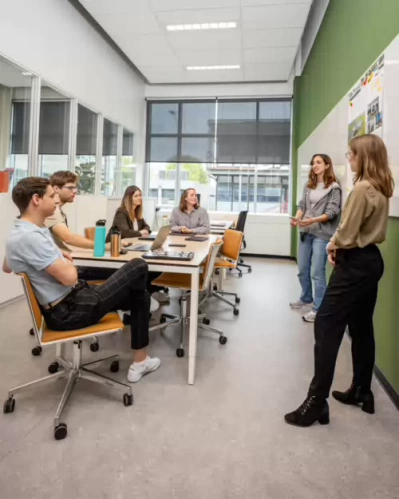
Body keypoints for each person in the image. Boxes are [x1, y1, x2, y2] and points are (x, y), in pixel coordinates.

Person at [3, 177, 161, 383]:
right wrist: (62, 260)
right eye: (51, 196)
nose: (56, 201)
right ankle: (140, 360)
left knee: (141, 296)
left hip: (69, 303)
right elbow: (70, 278)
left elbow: (7, 266)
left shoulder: (21, 231)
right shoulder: (31, 237)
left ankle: (141, 360)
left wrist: (56, 254)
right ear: (36, 200)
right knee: (139, 265)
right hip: (71, 310)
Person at [285, 135, 393, 427]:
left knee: (325, 324)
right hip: (371, 262)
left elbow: (346, 231)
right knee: (361, 327)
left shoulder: (361, 188)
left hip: (354, 263)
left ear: (365, 157)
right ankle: (362, 390)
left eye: (353, 154)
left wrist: (333, 247)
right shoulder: (383, 188)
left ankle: (316, 402)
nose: (350, 158)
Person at [290, 154, 341, 323]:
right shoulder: (308, 185)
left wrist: (313, 220)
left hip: (322, 234)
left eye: (318, 162)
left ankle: (319, 308)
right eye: (313, 163)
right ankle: (305, 298)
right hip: (306, 232)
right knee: (303, 269)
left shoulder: (334, 188)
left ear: (327, 165)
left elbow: (332, 213)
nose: (314, 165)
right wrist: (297, 219)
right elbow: (301, 206)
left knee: (317, 273)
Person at [107, 185, 169, 304]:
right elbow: (125, 232)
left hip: (132, 248)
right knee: (145, 267)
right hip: (118, 250)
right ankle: (141, 297)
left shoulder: (136, 213)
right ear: (128, 198)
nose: (140, 198)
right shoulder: (121, 212)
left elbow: (147, 227)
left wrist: (143, 231)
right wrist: (140, 232)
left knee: (153, 263)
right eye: (136, 196)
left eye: (140, 195)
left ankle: (145, 294)